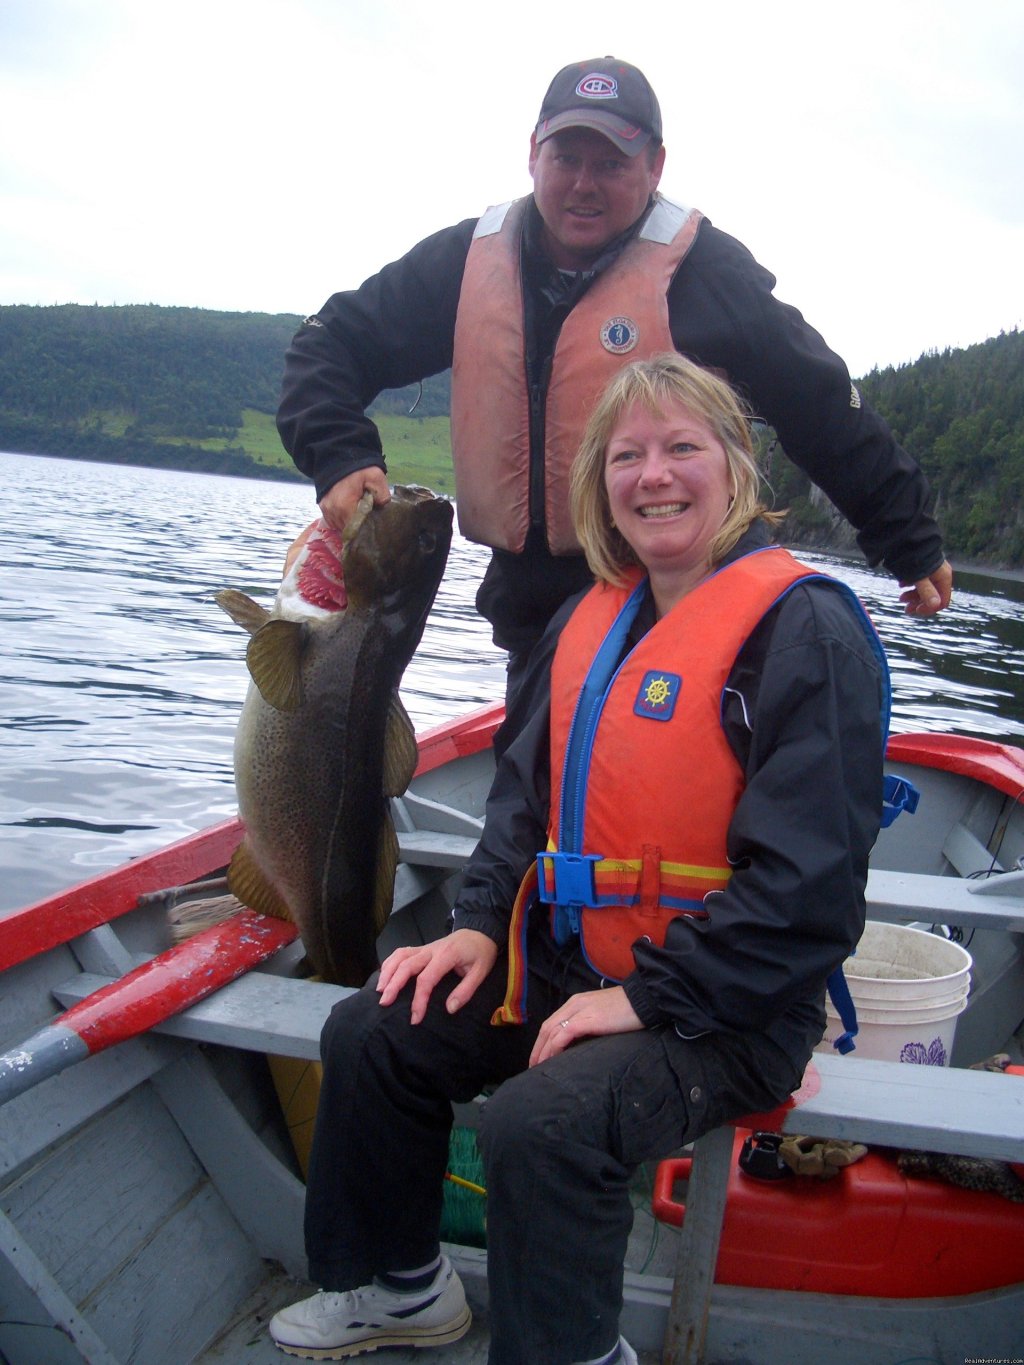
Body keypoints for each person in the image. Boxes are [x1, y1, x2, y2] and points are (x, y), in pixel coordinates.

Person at [268, 354, 888, 1364]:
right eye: (628, 454)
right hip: (568, 965)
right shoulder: (589, 619)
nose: (655, 474)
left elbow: (808, 892)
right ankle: (399, 1287)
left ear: (734, 467)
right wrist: (474, 928)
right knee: (375, 1032)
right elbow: (520, 805)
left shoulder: (804, 633)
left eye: (683, 447)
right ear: (600, 480)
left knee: (538, 1125)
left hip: (731, 1009)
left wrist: (647, 1001)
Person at [276, 55, 952, 716]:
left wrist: (908, 535)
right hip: (531, 624)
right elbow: (328, 343)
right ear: (532, 154)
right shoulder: (467, 260)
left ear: (656, 166)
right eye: (566, 158)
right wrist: (340, 454)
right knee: (527, 806)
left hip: (670, 610)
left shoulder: (709, 273)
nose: (583, 184)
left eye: (611, 163)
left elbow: (822, 405)